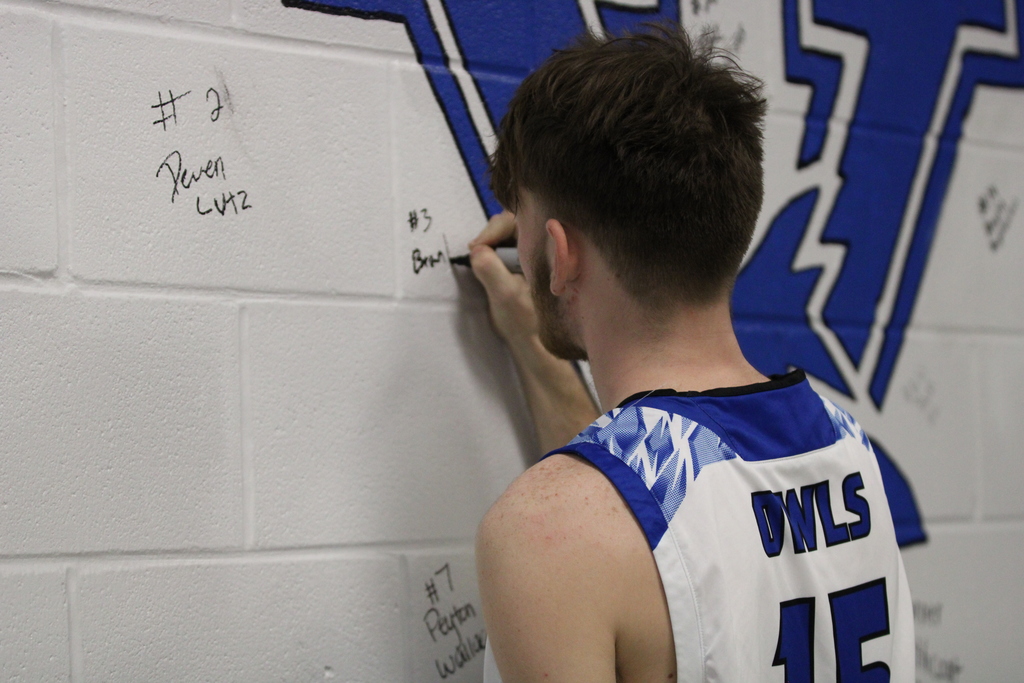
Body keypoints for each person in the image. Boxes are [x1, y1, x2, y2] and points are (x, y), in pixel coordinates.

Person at [466, 22, 914, 683]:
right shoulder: (844, 447)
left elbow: (619, 511)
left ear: (560, 255)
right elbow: (643, 499)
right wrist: (537, 352)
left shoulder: (544, 528)